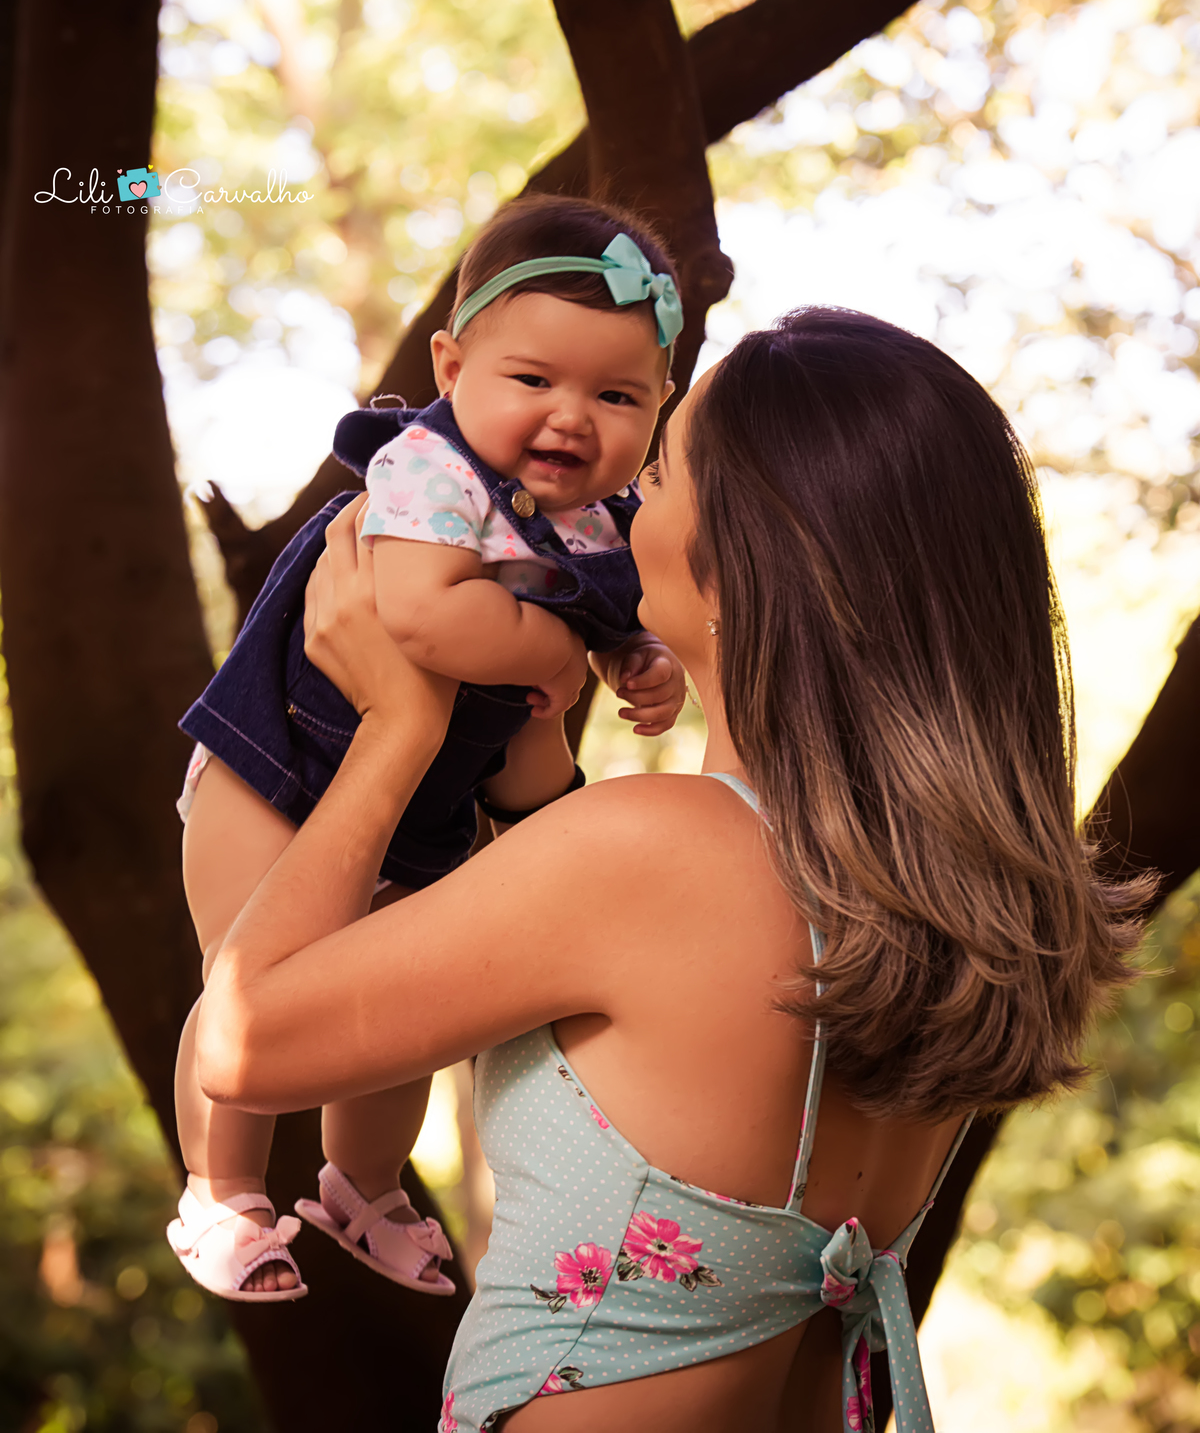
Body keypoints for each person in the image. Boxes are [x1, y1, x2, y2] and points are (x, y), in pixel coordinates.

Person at [196, 308, 1147, 1430]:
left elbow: (242, 1042)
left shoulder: (660, 853)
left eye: (664, 467)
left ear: (742, 570)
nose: (631, 501)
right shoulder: (948, 911)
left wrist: (397, 730)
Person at [169, 197, 690, 1303]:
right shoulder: (425, 472)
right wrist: (556, 647)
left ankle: (363, 1185)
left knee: (388, 1025)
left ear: (660, 409)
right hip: (278, 766)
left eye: (615, 395)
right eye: (533, 380)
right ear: (453, 365)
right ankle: (222, 1193)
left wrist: (634, 657)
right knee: (243, 982)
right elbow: (419, 620)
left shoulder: (603, 526)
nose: (570, 417)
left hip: (424, 803)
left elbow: (604, 623)